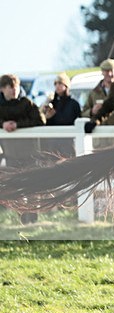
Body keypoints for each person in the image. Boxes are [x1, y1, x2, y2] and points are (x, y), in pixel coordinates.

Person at [0, 73, 44, 223]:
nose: (14, 90)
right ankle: (23, 218)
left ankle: (33, 215)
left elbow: (39, 120)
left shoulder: (27, 103)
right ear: (2, 89)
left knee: (33, 185)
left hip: (30, 152)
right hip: (11, 153)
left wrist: (18, 126)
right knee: (16, 187)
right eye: (10, 87)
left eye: (16, 87)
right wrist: (3, 125)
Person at [41, 72, 81, 158]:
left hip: (68, 143)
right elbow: (47, 124)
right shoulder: (52, 103)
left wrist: (56, 115)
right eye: (55, 84)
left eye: (60, 83)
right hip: (53, 144)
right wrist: (47, 117)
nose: (57, 86)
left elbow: (71, 120)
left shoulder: (73, 104)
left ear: (66, 85)